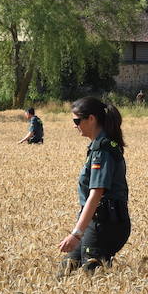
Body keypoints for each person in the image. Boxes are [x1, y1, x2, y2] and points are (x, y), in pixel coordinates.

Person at [59, 97, 131, 275]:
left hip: (105, 224)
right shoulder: (97, 147)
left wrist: (76, 234)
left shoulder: (103, 151)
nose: (74, 125)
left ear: (91, 119)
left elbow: (96, 194)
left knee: (91, 275)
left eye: (77, 120)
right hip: (95, 222)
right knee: (66, 271)